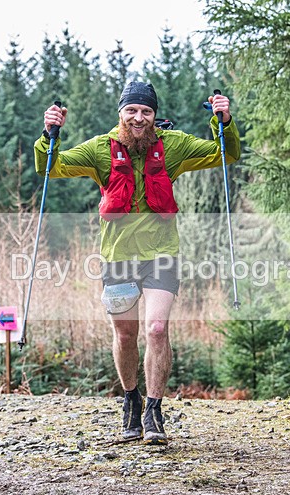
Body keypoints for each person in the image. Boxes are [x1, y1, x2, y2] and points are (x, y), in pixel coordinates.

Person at [34, 82, 241, 444]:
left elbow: (224, 154)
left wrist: (223, 121)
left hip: (162, 253)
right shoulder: (101, 148)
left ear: (153, 115)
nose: (139, 118)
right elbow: (52, 167)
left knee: (157, 329)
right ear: (121, 113)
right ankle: (131, 399)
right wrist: (49, 134)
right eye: (132, 110)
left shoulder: (173, 145)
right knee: (126, 334)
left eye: (146, 111)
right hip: (118, 257)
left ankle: (154, 410)